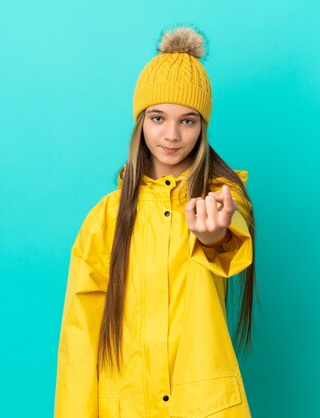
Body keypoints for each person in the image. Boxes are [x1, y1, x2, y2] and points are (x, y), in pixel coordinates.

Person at [54, 24, 257, 418]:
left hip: (201, 406)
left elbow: (231, 234)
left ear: (202, 127)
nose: (171, 135)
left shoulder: (219, 200)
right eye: (158, 118)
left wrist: (214, 236)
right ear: (140, 122)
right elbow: (79, 336)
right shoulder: (104, 219)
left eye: (188, 121)